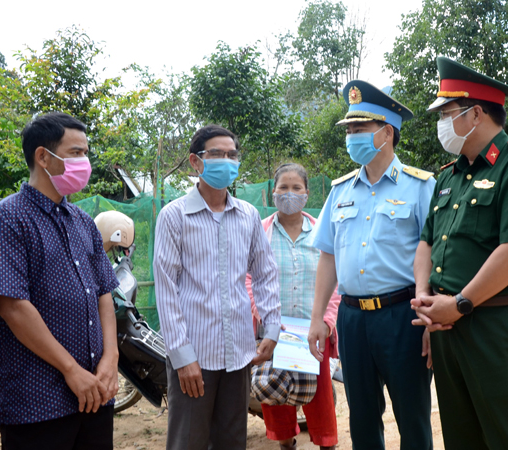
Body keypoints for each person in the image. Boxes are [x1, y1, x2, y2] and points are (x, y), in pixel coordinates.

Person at [411, 57, 508, 450]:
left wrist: (458, 304)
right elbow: (426, 242)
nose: (442, 123)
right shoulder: (447, 176)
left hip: (497, 326)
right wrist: (425, 300)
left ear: (476, 113)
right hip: (445, 328)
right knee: (461, 435)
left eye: (447, 113)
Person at [0, 112, 120, 450]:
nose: (85, 162)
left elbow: (103, 295)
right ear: (43, 156)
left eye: (86, 153)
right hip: (35, 401)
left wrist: (110, 359)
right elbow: (13, 307)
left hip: (95, 393)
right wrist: (71, 370)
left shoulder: (82, 222)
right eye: (75, 153)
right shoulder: (7, 221)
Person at [307, 81, 436, 450]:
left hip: (403, 316)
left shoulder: (420, 187)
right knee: (362, 418)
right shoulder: (340, 190)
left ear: (387, 132)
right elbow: (328, 256)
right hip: (352, 320)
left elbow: (437, 256)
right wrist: (319, 317)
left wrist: (430, 320)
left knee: (412, 416)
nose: (351, 137)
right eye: (348, 130)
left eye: (359, 129)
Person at [154, 124, 281, 450]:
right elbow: (166, 289)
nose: (227, 161)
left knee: (232, 440)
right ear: (196, 162)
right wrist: (182, 357)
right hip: (194, 354)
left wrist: (271, 328)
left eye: (232, 155)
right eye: (218, 155)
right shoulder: (174, 216)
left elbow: (265, 273)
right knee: (189, 440)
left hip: (239, 353)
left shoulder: (248, 215)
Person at [246, 163, 340, 450]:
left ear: (307, 193)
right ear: (271, 194)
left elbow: (335, 279)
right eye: (283, 188)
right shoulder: (259, 232)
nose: (289, 193)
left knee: (321, 400)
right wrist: (259, 312)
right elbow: (248, 278)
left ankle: (327, 444)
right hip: (274, 333)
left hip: (313, 334)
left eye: (296, 188)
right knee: (276, 400)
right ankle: (286, 444)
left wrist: (326, 321)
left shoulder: (322, 232)